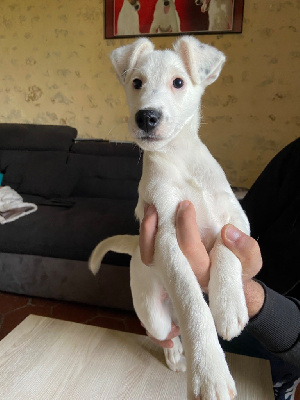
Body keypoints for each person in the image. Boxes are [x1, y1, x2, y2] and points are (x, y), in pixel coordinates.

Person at [139, 138, 300, 400]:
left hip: (282, 353)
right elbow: (236, 223)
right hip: (224, 311)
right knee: (160, 329)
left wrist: (240, 291)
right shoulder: (295, 155)